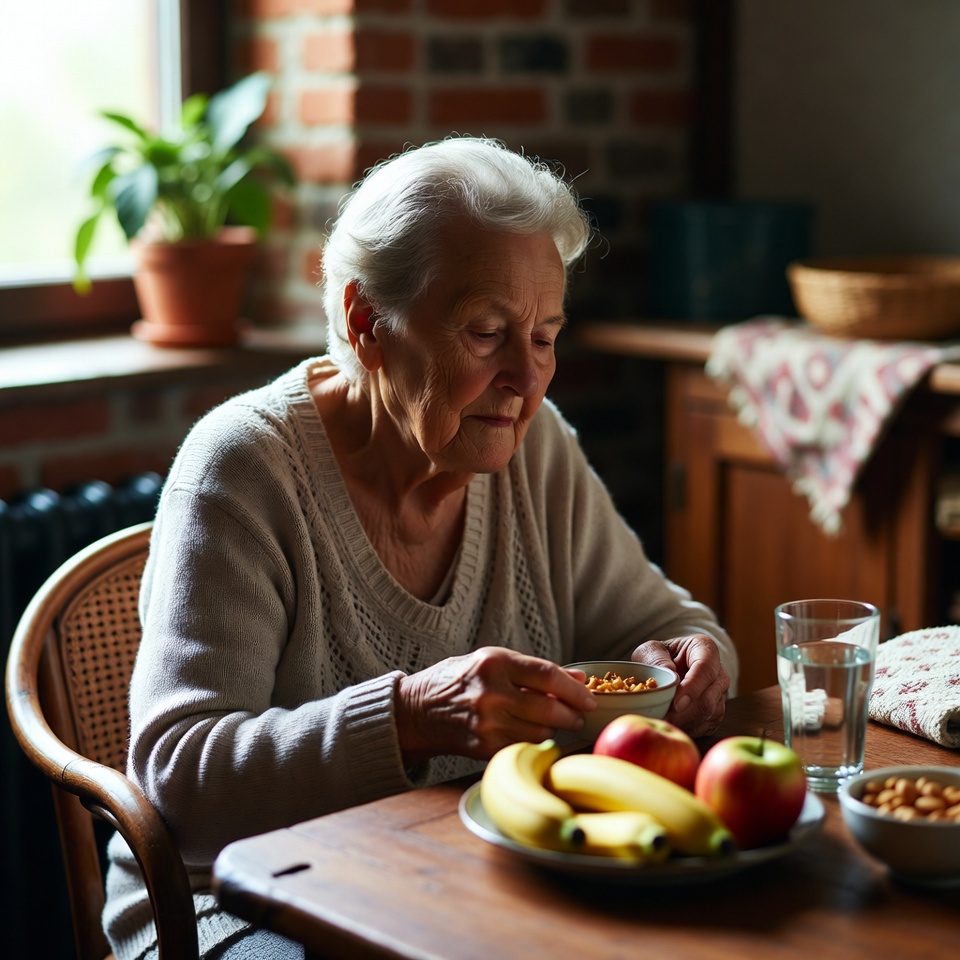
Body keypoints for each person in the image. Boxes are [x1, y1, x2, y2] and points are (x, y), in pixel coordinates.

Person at [103, 135, 737, 960]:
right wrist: (405, 719)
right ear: (368, 320)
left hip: (455, 878)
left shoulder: (534, 448)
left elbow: (667, 622)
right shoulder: (246, 468)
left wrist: (693, 658)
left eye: (544, 336)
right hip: (241, 907)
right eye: (485, 332)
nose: (525, 378)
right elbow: (180, 779)